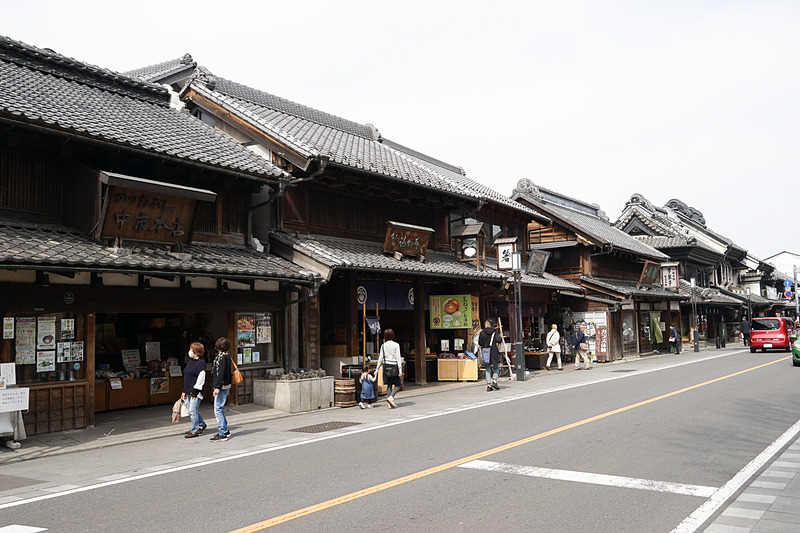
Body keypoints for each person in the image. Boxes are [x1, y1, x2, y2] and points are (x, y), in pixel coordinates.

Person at [182, 342, 207, 438]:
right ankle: (202, 424)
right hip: (189, 389)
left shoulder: (201, 363)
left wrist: (195, 391)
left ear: (196, 352)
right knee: (192, 409)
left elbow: (201, 378)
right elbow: (187, 377)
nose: (190, 352)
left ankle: (194, 430)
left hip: (196, 390)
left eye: (192, 350)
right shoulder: (191, 361)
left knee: (192, 410)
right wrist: (184, 390)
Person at [210, 337, 232, 442]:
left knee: (217, 409)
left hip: (221, 386)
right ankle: (225, 430)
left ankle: (222, 432)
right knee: (220, 408)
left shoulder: (221, 357)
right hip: (225, 385)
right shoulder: (226, 356)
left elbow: (220, 373)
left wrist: (217, 387)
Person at [375, 329, 403, 408]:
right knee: (398, 384)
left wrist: (377, 369)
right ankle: (391, 397)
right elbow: (398, 357)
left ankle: (389, 404)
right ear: (392, 335)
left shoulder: (383, 345)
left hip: (386, 365)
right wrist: (400, 370)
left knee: (389, 384)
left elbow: (380, 358)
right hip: (394, 366)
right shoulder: (396, 345)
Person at [479, 319, 502, 391]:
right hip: (493, 351)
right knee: (496, 367)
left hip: (486, 351)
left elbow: (480, 343)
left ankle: (489, 385)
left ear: (487, 324)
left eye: (485, 323)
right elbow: (499, 340)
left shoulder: (482, 332)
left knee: (487, 368)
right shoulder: (494, 332)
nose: (485, 324)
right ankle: (494, 380)